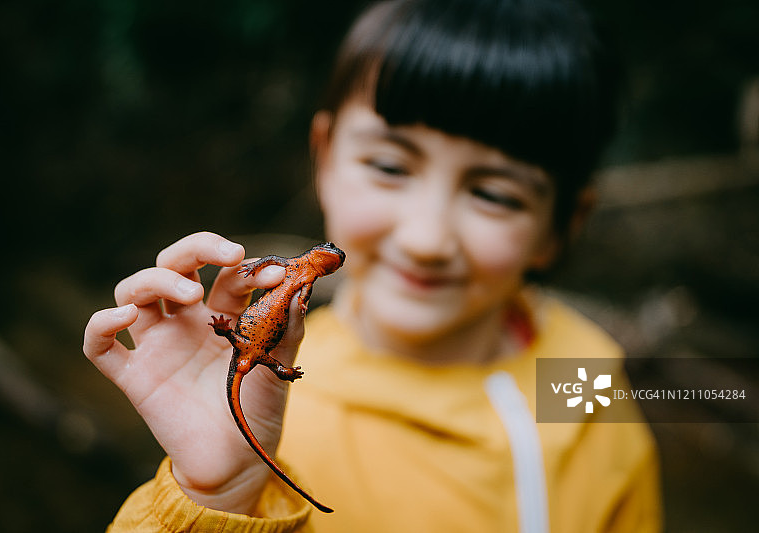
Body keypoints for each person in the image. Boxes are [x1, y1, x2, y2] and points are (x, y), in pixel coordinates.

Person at [83, 0, 662, 531]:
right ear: (325, 157)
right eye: (389, 165)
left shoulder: (587, 386)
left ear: (561, 225)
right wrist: (217, 494)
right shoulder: (252, 405)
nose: (427, 239)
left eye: (496, 195)